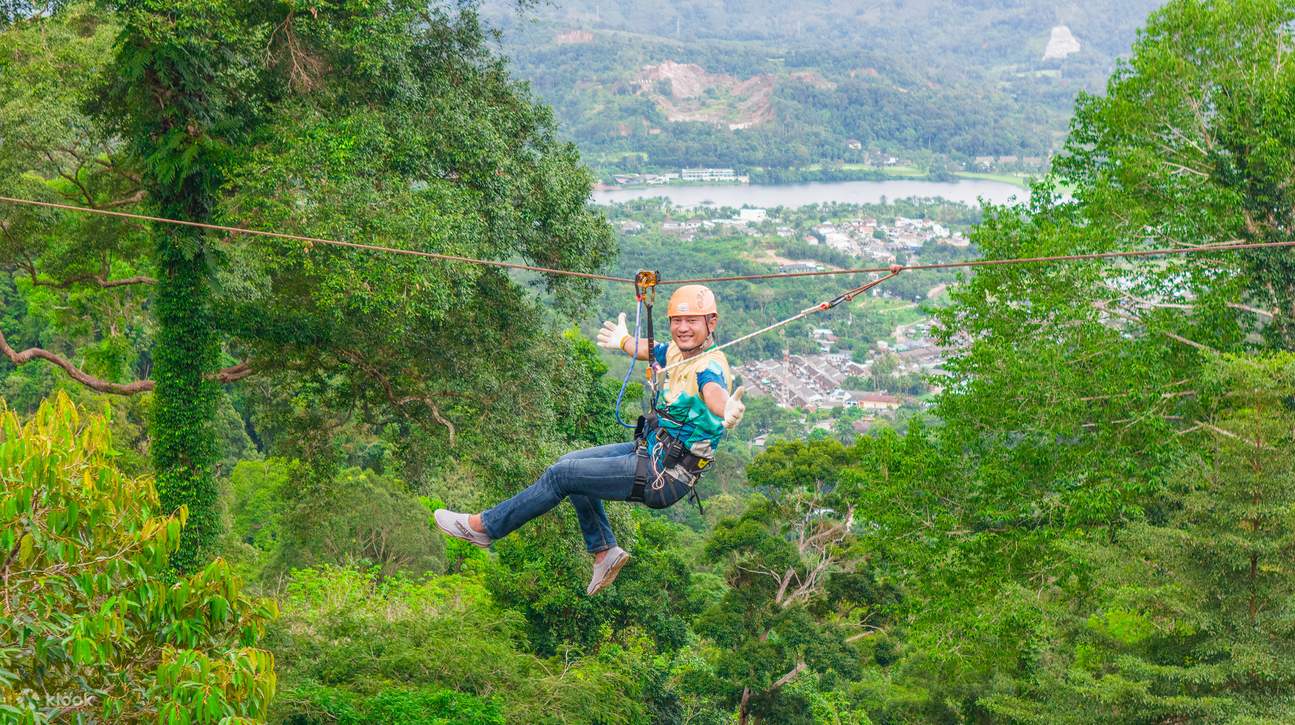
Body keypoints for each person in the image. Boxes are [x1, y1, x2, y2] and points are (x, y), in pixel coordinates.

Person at [434, 284, 746, 595]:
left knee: (562, 477)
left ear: (711, 323)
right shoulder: (678, 351)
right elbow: (649, 349)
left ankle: (484, 527)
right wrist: (623, 340)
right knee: (568, 464)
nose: (682, 328)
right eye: (677, 321)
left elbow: (713, 393)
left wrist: (727, 407)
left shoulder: (710, 367)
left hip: (665, 475)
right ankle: (604, 551)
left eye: (692, 321)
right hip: (652, 451)